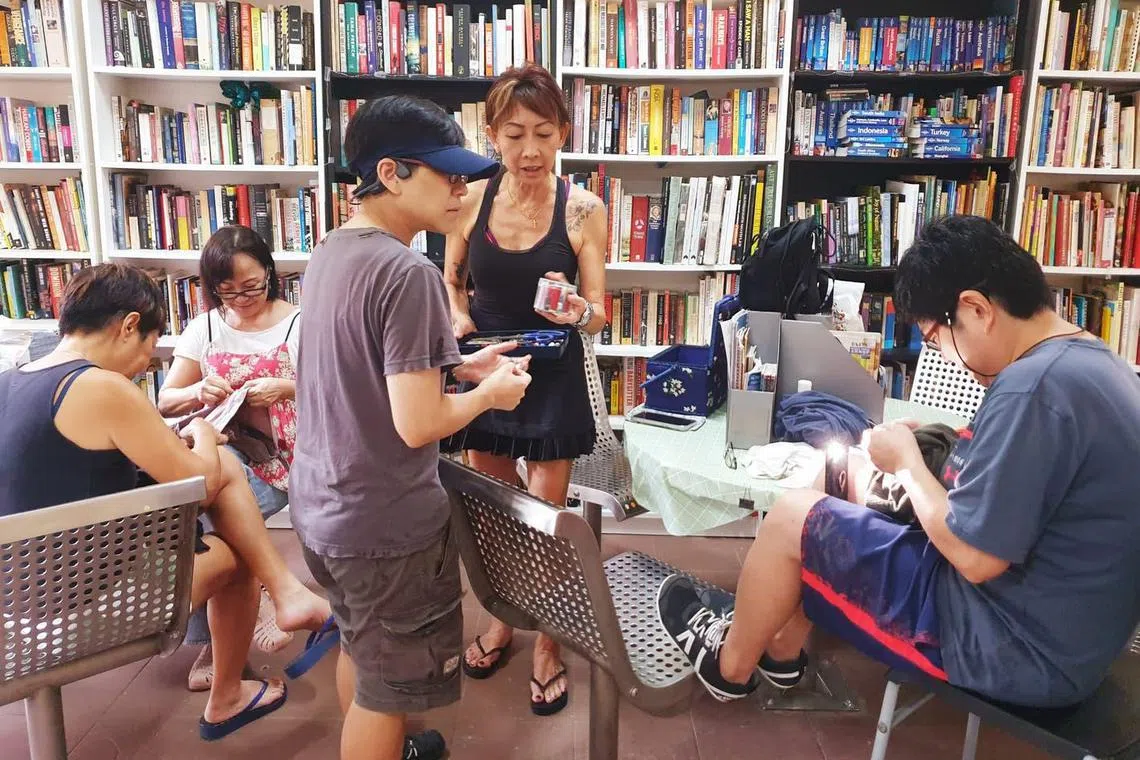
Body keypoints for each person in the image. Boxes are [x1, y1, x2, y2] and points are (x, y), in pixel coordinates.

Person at [656, 214, 1140, 712]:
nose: (947, 357)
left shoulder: (1032, 388)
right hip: (1072, 637)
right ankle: (780, 652)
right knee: (847, 481)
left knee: (790, 515)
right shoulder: (1094, 360)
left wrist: (908, 462)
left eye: (935, 339)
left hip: (1012, 645)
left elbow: (976, 559)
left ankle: (729, 665)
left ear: (974, 309)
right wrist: (934, 446)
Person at [289, 94, 532, 760]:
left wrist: (457, 365)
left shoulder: (333, 251)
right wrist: (490, 395)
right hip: (385, 524)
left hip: (324, 505)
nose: (461, 189)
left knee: (365, 652)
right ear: (391, 174)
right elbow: (419, 422)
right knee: (387, 690)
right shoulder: (410, 272)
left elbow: (362, 371)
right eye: (445, 173)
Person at [0, 263, 334, 741]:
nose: (145, 364)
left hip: (13, 601)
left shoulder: (11, 381)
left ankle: (286, 596)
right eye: (147, 349)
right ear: (129, 324)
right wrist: (202, 431)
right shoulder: (100, 385)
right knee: (237, 540)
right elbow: (198, 481)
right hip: (71, 614)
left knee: (221, 480)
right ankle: (229, 693)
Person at [443, 63, 608, 717]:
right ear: (491, 134)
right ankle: (503, 619)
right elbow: (452, 281)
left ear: (564, 131)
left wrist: (577, 310)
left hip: (553, 375)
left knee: (545, 522)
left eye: (545, 132)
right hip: (487, 373)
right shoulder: (469, 198)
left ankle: (548, 644)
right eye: (514, 134)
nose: (531, 150)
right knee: (492, 513)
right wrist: (458, 321)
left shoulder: (584, 208)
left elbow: (602, 313)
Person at [158, 224, 300, 691]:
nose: (242, 299)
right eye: (227, 291)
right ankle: (244, 615)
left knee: (217, 521)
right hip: (221, 449)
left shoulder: (300, 322)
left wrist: (287, 388)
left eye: (252, 286)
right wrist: (198, 390)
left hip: (285, 456)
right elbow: (165, 400)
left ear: (270, 273)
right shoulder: (207, 327)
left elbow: (340, 391)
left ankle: (218, 648)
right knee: (192, 518)